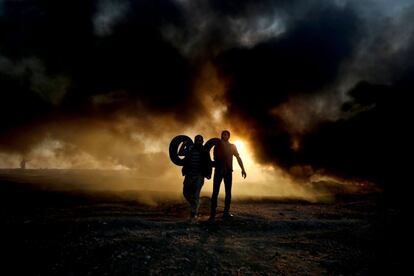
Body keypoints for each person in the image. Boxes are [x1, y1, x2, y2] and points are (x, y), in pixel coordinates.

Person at [209, 130, 246, 221]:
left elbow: (238, 157)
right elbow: (213, 157)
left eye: (226, 135)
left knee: (228, 192)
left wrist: (243, 169)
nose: (224, 136)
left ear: (228, 136)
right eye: (223, 134)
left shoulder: (232, 146)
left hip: (228, 172)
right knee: (215, 192)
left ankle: (226, 212)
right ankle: (212, 214)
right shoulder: (217, 146)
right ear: (221, 136)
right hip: (218, 171)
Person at [178, 135, 212, 221]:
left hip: (199, 176)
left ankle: (194, 213)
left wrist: (209, 174)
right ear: (194, 141)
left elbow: (208, 162)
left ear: (203, 141)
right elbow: (180, 153)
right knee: (186, 193)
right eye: (197, 140)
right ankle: (195, 204)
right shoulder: (190, 148)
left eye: (200, 140)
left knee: (196, 194)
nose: (199, 141)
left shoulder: (205, 150)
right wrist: (183, 144)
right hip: (189, 174)